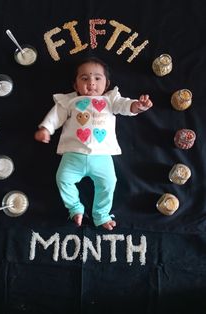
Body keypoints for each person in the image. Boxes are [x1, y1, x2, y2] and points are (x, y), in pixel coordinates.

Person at [34, 57, 153, 230]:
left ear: (107, 84)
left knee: (109, 183)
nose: (91, 83)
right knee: (62, 179)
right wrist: (46, 129)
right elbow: (55, 117)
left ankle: (101, 214)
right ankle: (75, 208)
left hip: (102, 156)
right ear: (75, 85)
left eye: (97, 78)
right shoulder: (69, 101)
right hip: (73, 154)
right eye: (84, 78)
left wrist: (138, 105)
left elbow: (125, 106)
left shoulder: (110, 100)